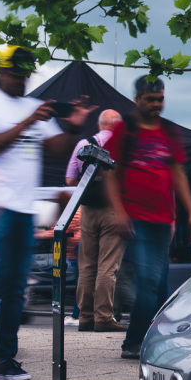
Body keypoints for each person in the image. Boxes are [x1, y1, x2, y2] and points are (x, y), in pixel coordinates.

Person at [0, 46, 93, 380]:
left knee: (13, 290)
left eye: (26, 75)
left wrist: (72, 128)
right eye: (17, 74)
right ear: (0, 71)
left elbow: (54, 148)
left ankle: (4, 359)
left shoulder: (31, 107)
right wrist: (27, 122)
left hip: (23, 210)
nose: (23, 80)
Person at [105, 76, 191, 360]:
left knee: (158, 284)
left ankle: (155, 336)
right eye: (151, 99)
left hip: (163, 219)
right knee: (148, 282)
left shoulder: (169, 132)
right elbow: (110, 173)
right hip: (136, 219)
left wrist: (190, 213)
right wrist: (119, 211)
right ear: (138, 100)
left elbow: (178, 174)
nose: (157, 104)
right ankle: (133, 342)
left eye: (160, 99)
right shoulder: (126, 130)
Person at [65, 110, 125, 332]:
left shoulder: (85, 143)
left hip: (88, 209)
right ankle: (103, 317)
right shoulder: (123, 144)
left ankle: (85, 317)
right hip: (113, 209)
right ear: (118, 125)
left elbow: (70, 178)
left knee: (87, 266)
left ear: (100, 124)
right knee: (107, 266)